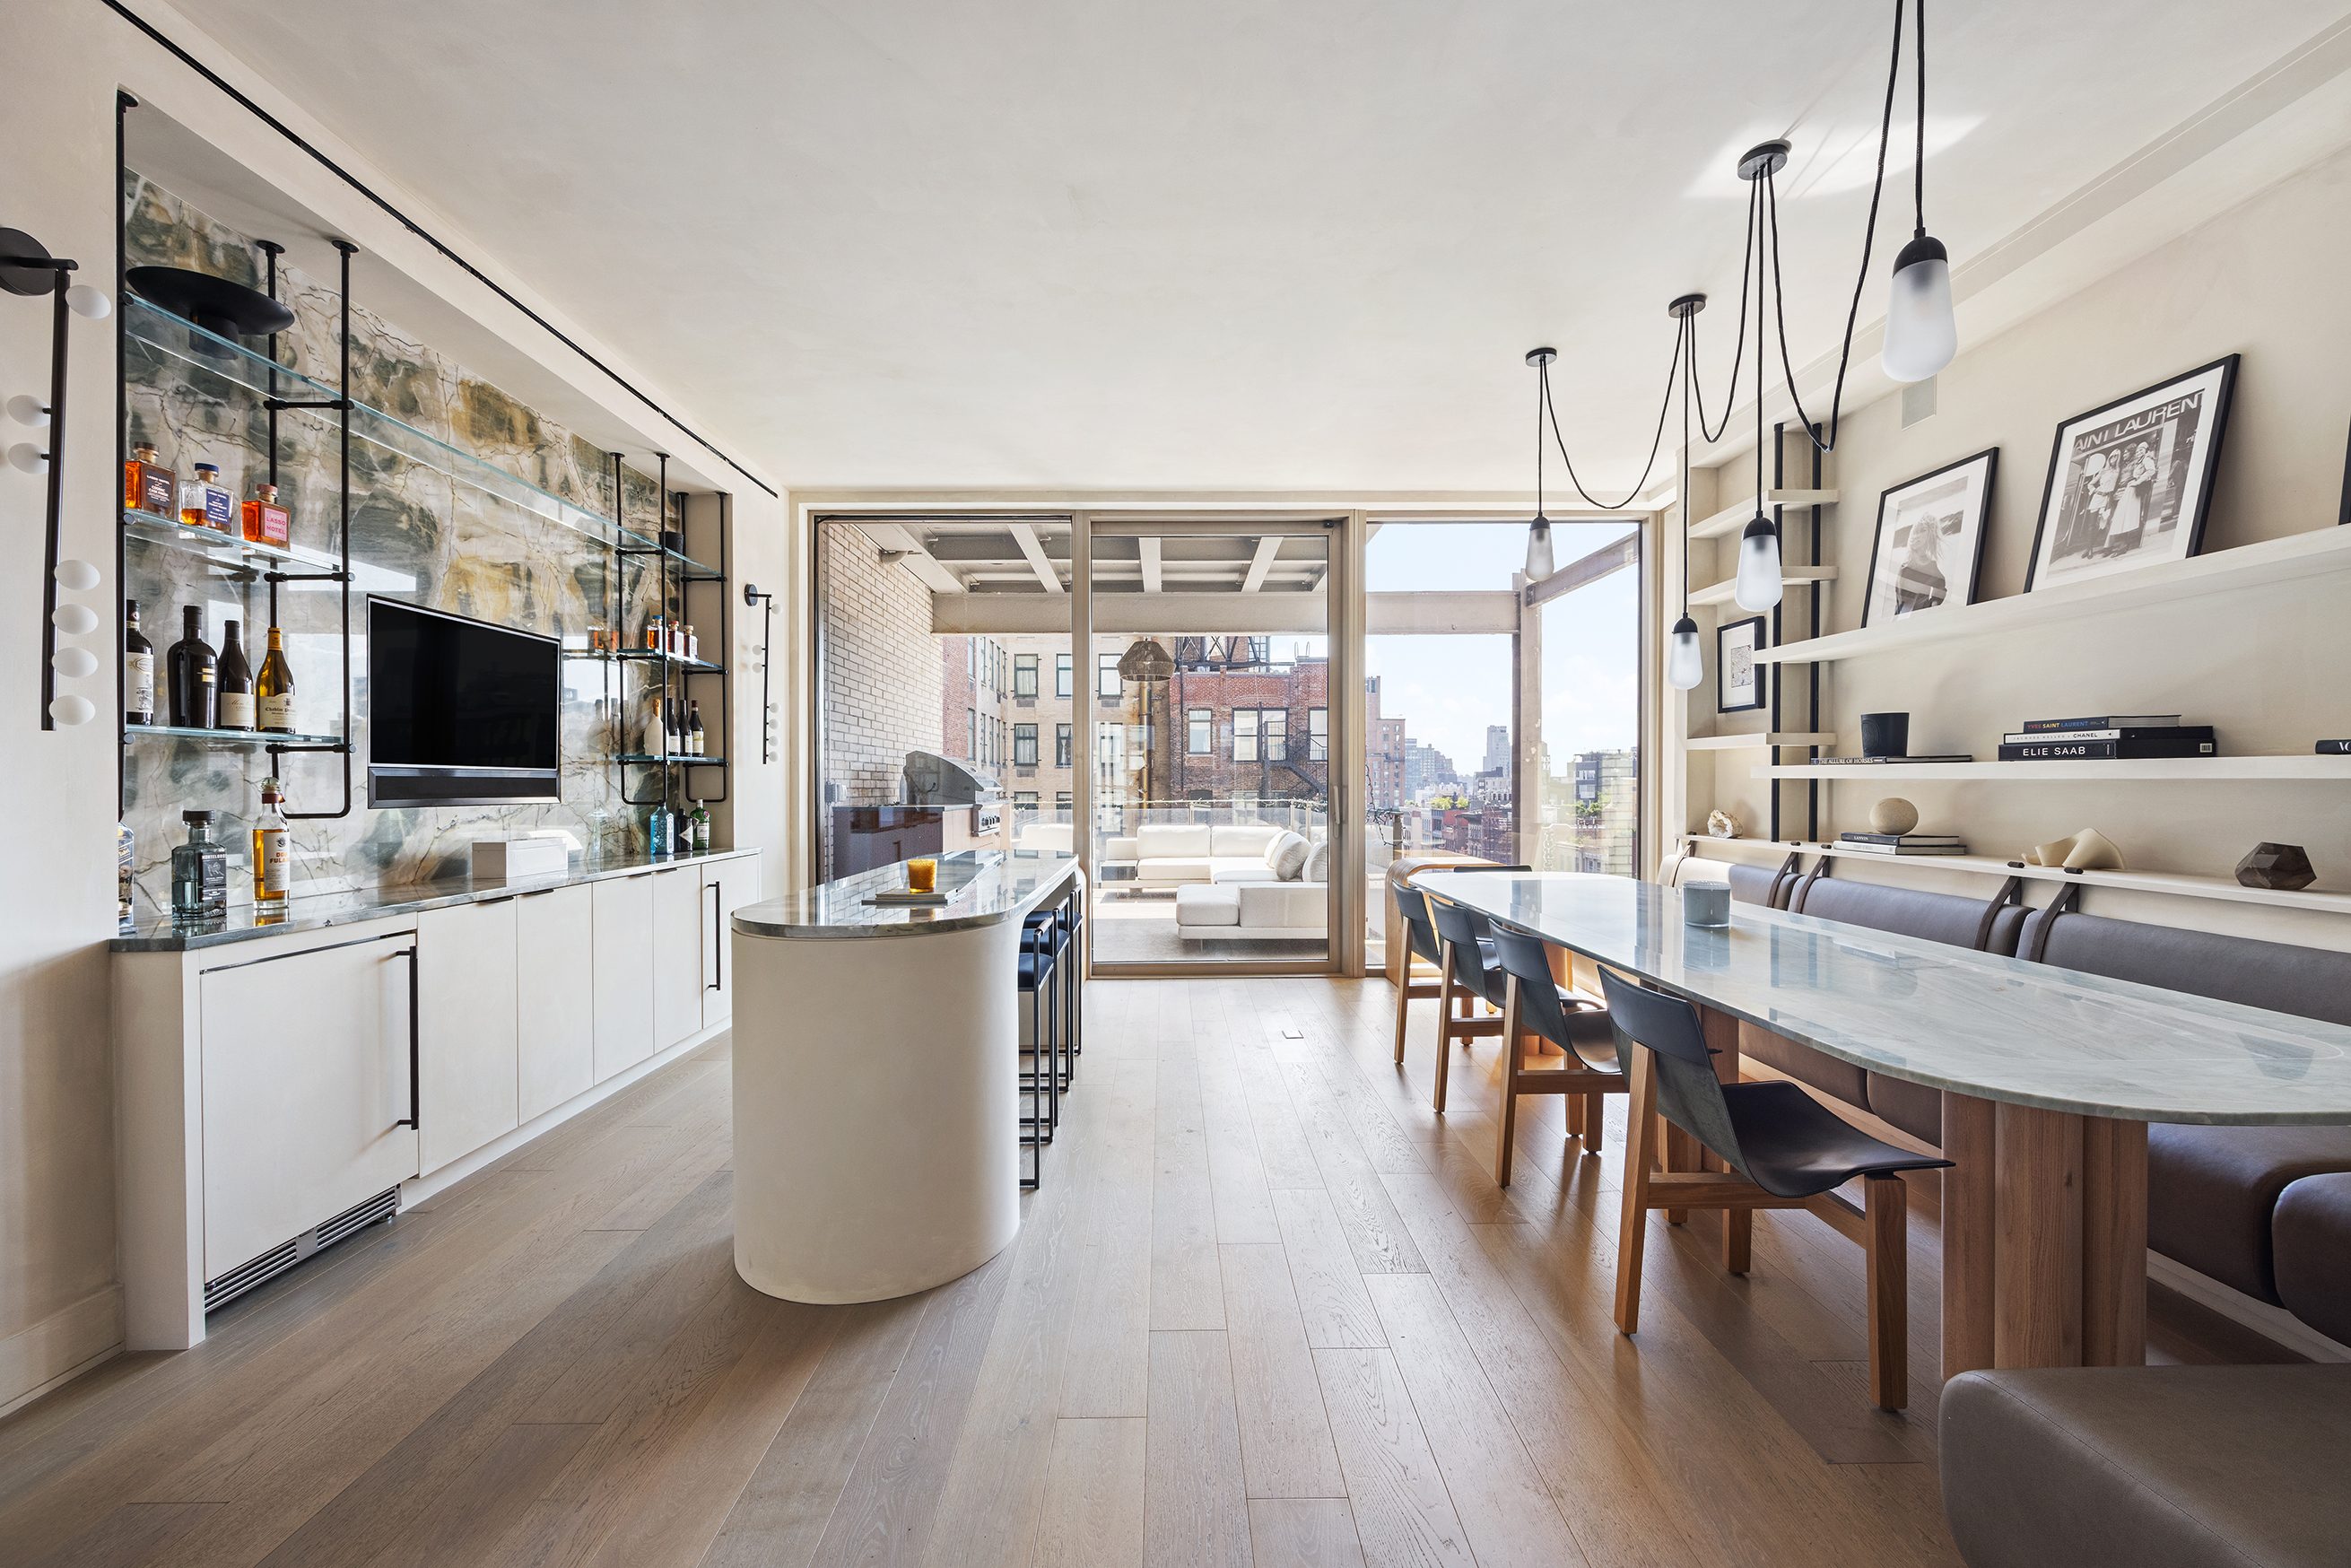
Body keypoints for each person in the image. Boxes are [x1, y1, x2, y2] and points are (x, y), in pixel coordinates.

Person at [1890, 512, 1948, 614]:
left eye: (1923, 531)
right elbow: (1901, 601)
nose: (1917, 535)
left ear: (1931, 534)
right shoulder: (1906, 566)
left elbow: (1940, 587)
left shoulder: (1930, 565)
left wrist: (1932, 606)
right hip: (1903, 617)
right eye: (1916, 531)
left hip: (1918, 617)